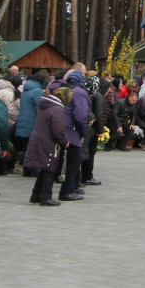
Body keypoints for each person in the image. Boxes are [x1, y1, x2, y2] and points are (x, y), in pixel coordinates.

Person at [25, 87, 70, 206]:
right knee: (49, 168)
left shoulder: (46, 104)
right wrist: (65, 141)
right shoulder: (57, 109)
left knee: (44, 168)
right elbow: (58, 130)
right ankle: (45, 196)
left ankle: (36, 194)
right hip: (48, 141)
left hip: (39, 138)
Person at [59, 70, 91, 201]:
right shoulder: (80, 93)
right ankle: (67, 190)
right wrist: (83, 132)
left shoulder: (61, 89)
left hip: (58, 126)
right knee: (74, 160)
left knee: (57, 160)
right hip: (71, 130)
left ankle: (40, 192)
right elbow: (80, 115)